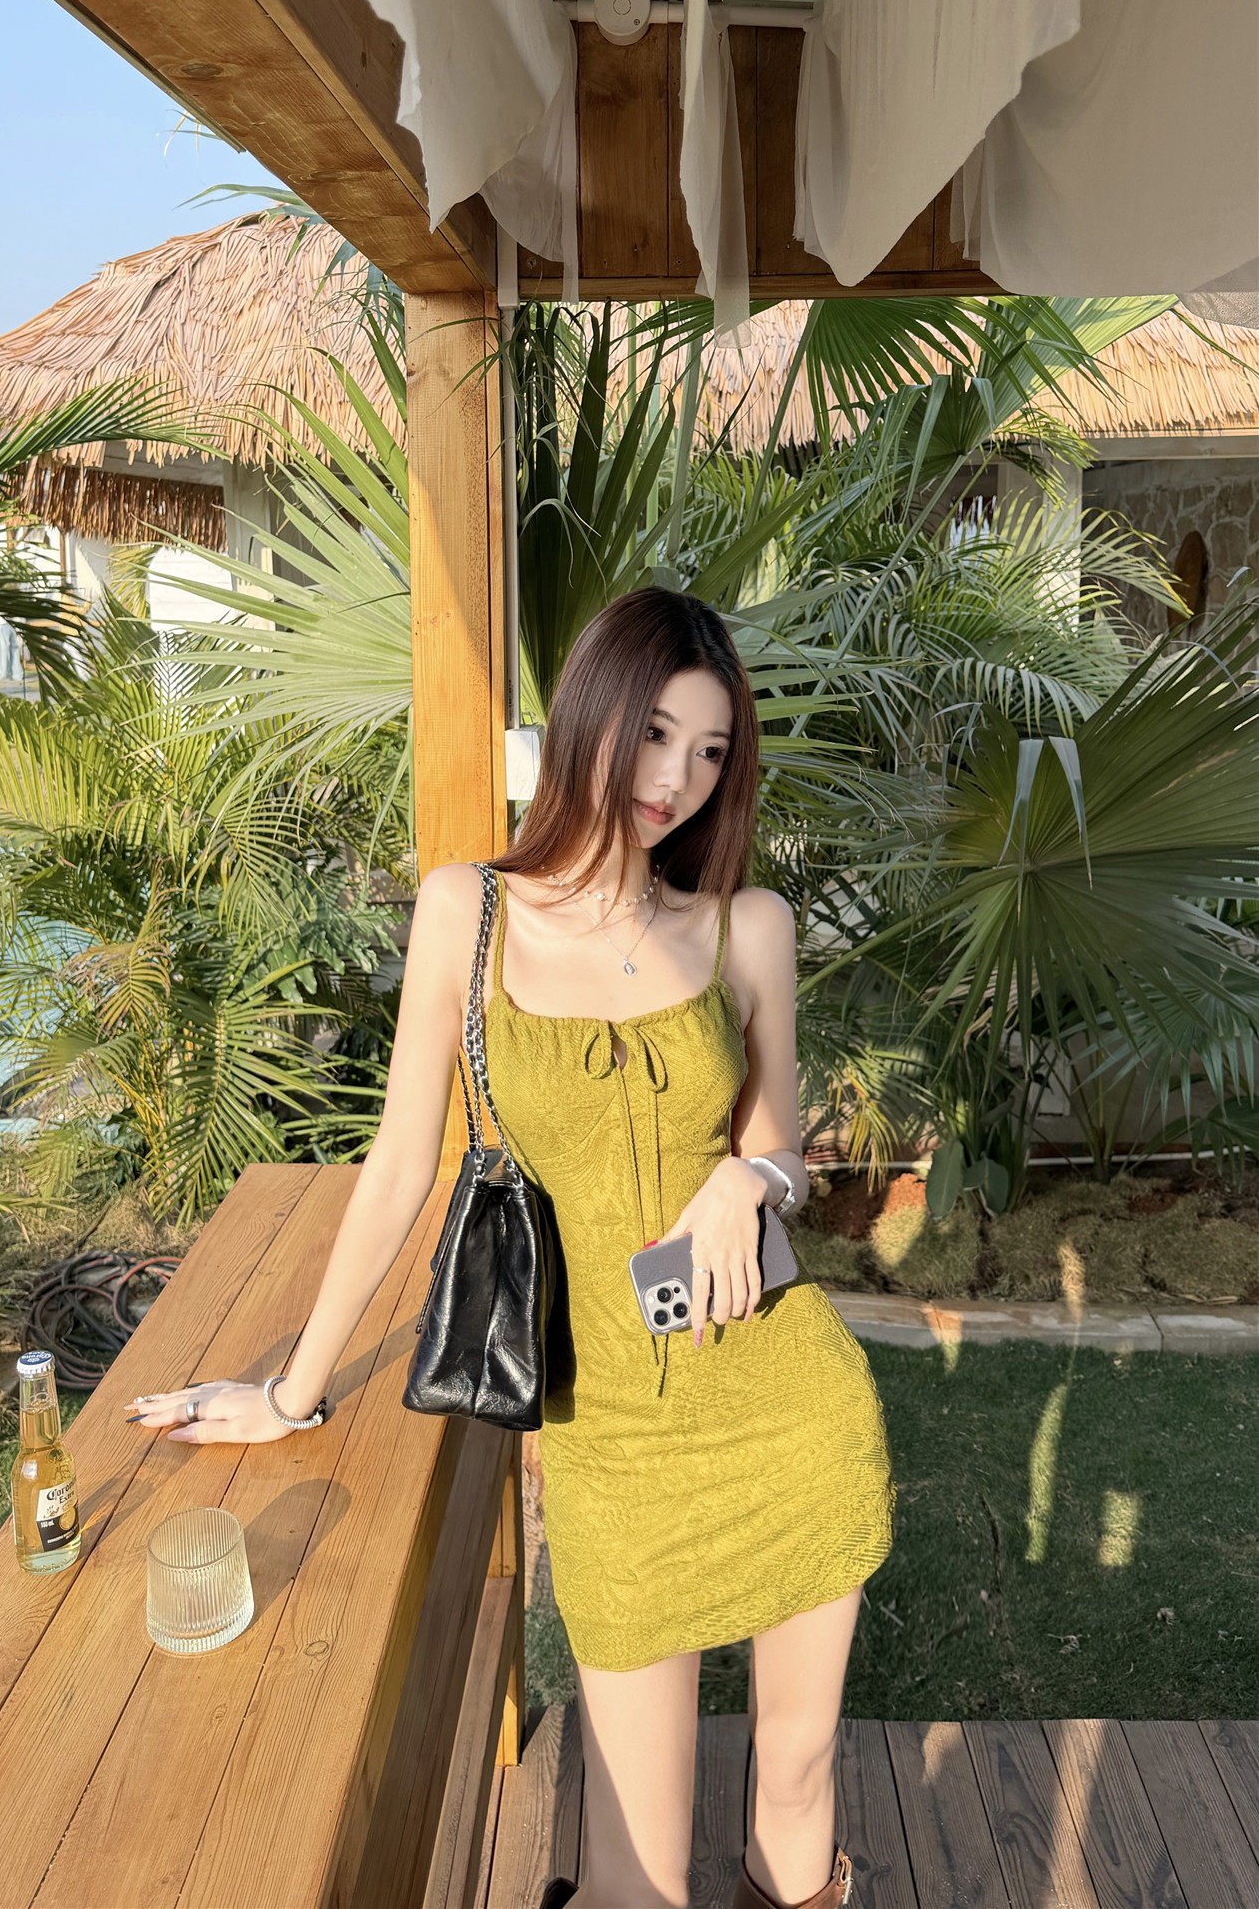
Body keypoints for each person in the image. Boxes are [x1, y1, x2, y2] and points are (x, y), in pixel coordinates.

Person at [126, 590, 895, 1909]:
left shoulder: (742, 926)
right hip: (609, 1440)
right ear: (593, 714)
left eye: (710, 751)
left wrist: (746, 1178)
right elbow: (398, 1172)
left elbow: (782, 1152)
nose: (675, 778)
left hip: (789, 1410)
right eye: (655, 733)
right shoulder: (468, 913)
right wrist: (292, 1391)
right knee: (635, 1874)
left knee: (795, 1783)